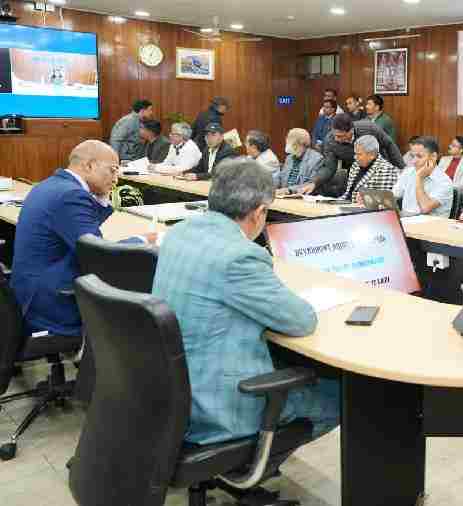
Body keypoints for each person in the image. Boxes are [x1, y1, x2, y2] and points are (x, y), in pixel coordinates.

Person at [152, 159, 339, 445]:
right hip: (219, 407)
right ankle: (257, 460)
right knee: (343, 397)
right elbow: (302, 321)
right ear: (260, 212)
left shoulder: (179, 232)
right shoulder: (239, 256)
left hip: (172, 392)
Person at [11, 140, 156, 337]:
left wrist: (101, 198)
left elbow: (83, 229)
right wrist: (142, 240)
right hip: (52, 303)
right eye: (112, 170)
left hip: (30, 291)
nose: (116, 179)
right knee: (140, 308)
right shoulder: (71, 195)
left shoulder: (51, 185)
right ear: (89, 165)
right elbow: (98, 256)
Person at [301, 113, 404, 197]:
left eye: (340, 136)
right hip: (355, 170)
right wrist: (314, 182)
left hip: (379, 169)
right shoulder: (330, 141)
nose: (336, 139)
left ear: (350, 130)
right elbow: (329, 167)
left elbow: (389, 145)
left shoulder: (369, 128)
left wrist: (402, 169)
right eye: (334, 135)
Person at [392, 136, 453, 217]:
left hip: (429, 224)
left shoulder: (444, 182)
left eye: (419, 156)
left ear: (433, 156)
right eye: (412, 156)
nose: (414, 161)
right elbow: (393, 195)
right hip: (406, 220)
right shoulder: (409, 172)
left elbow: (425, 208)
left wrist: (419, 178)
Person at [339, 135, 399, 203]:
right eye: (355, 153)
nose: (355, 157)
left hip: (363, 208)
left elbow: (383, 202)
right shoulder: (355, 165)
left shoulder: (387, 170)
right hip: (345, 203)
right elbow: (348, 193)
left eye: (359, 154)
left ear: (372, 155)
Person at [275, 128, 323, 196]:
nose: (288, 145)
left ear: (301, 143)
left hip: (302, 197)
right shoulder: (289, 158)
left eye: (290, 142)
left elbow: (311, 183)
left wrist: (289, 190)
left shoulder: (316, 159)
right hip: (284, 196)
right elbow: (280, 178)